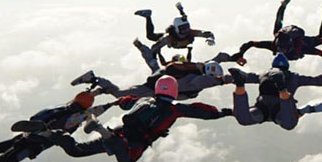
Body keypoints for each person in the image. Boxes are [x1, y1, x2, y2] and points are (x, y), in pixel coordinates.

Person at [52, 76, 231, 162]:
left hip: (120, 132)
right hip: (130, 144)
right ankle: (100, 130)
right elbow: (203, 112)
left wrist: (116, 101)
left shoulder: (144, 100)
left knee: (76, 151)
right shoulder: (175, 109)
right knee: (126, 160)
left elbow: (125, 102)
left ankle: (53, 135)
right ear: (174, 92)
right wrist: (224, 113)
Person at [227, 53, 322, 130]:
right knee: (289, 124)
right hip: (280, 109)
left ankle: (239, 85)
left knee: (243, 119)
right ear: (286, 67)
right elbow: (318, 81)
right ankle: (282, 90)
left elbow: (248, 77)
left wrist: (227, 79)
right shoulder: (294, 77)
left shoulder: (263, 74)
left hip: (261, 108)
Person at [70, 57, 250, 101]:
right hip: (153, 89)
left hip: (154, 87)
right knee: (120, 95)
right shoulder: (199, 79)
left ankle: (101, 88)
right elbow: (211, 81)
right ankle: (97, 80)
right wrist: (230, 79)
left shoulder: (193, 69)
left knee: (125, 97)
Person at [231, 0, 322, 62]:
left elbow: (319, 52)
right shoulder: (275, 45)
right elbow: (251, 43)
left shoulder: (299, 46)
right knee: (278, 26)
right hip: (286, 34)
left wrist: (241, 53)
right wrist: (241, 53)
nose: (282, 51)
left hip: (294, 35)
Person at [133, 2, 216, 71]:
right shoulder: (168, 38)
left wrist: (210, 38)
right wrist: (154, 57)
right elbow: (155, 47)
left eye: (186, 28)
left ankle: (148, 16)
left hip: (176, 43)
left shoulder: (190, 32)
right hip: (173, 41)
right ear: (176, 29)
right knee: (150, 36)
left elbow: (206, 33)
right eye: (182, 29)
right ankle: (148, 16)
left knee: (151, 37)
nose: (185, 31)